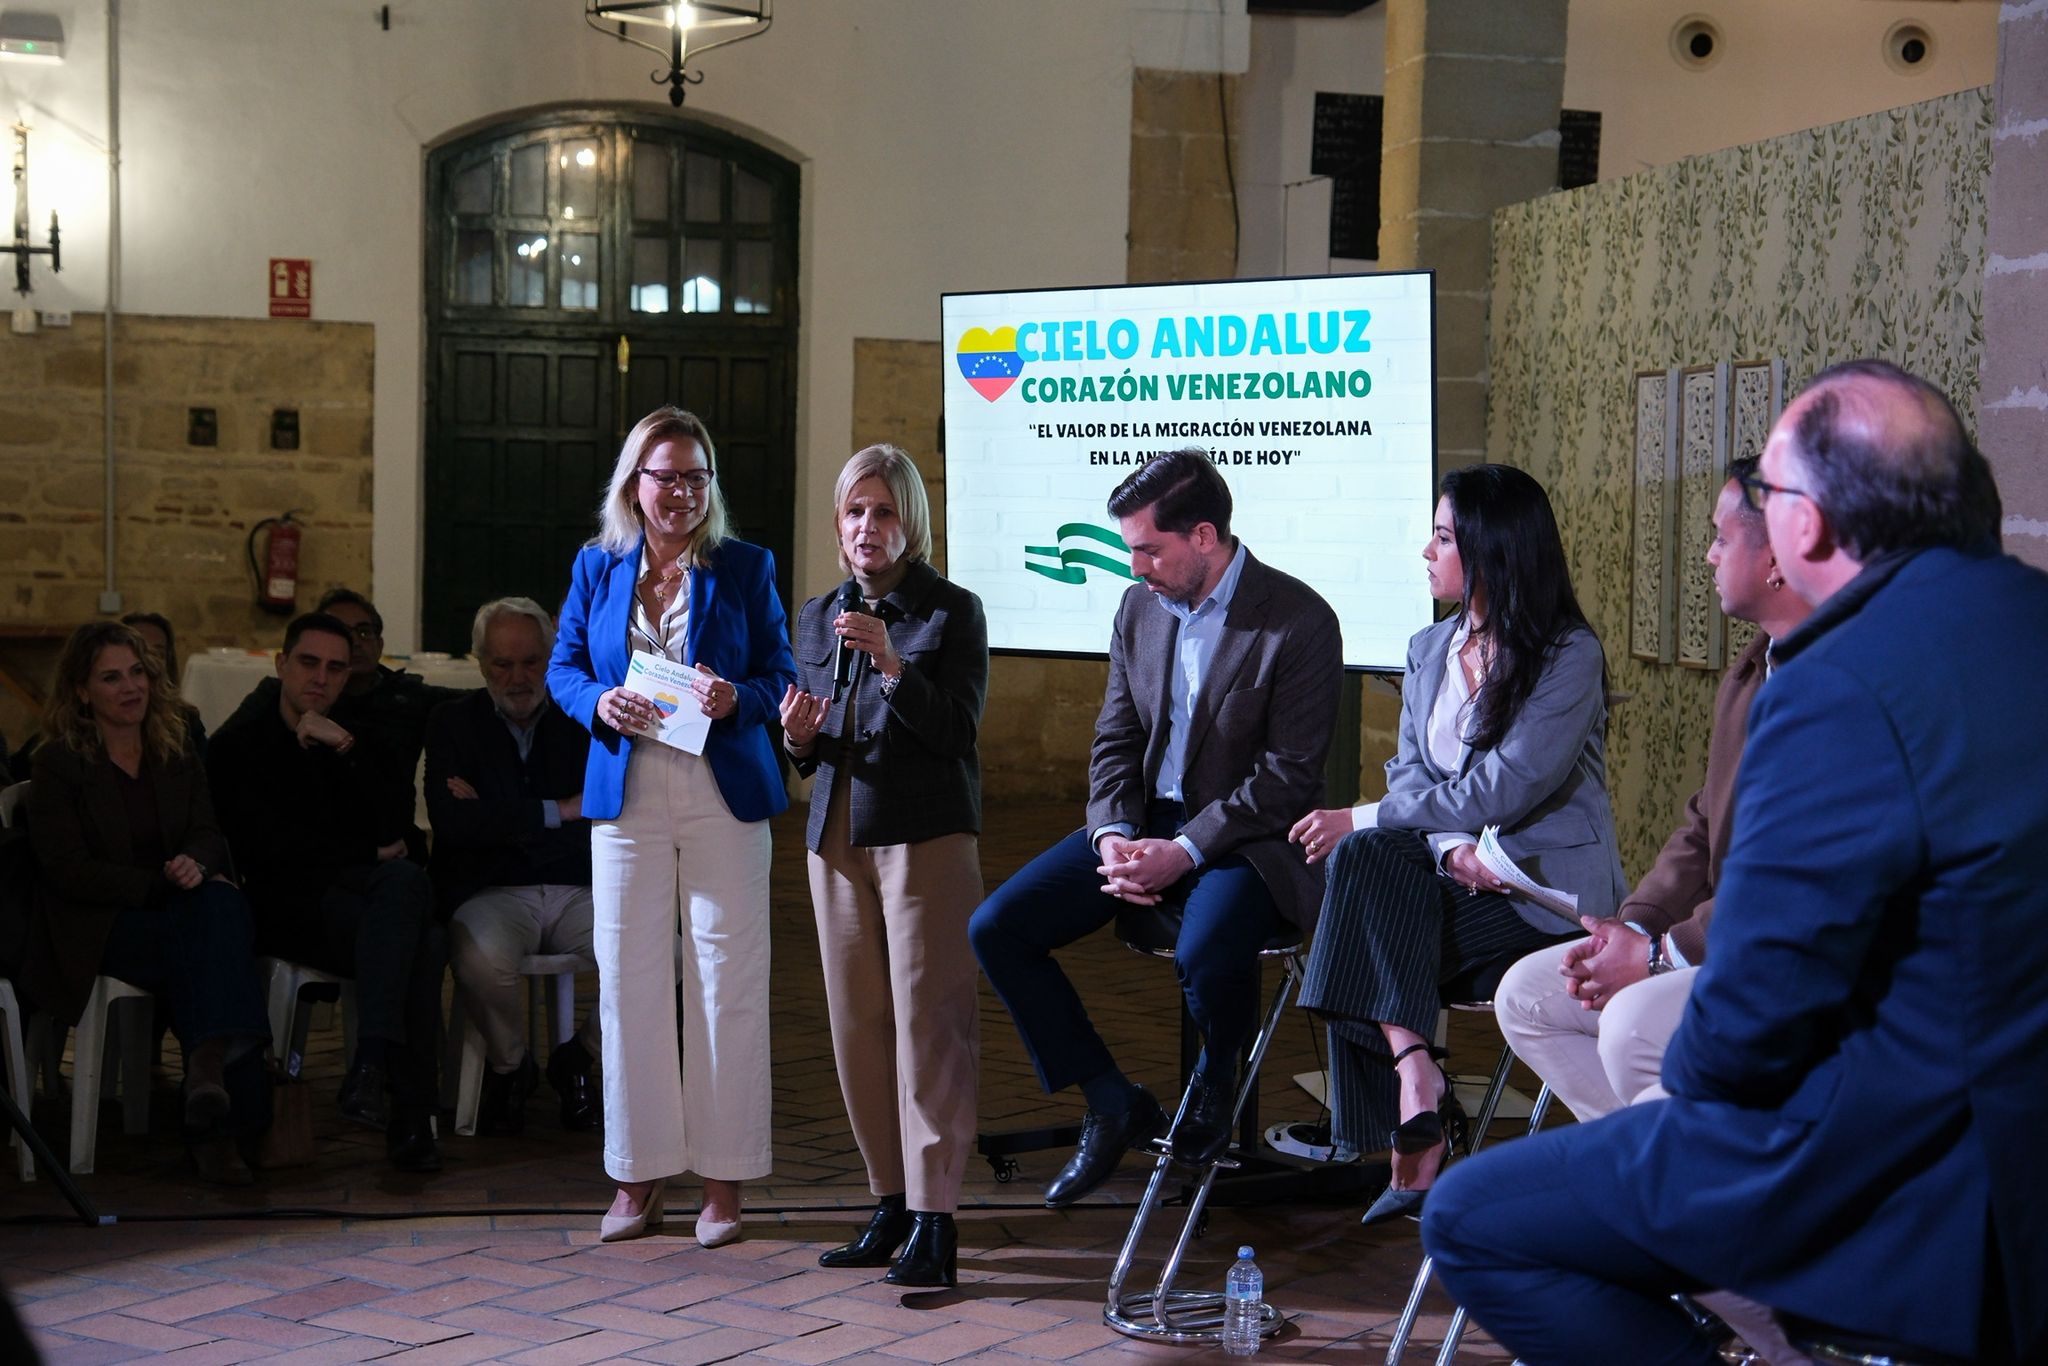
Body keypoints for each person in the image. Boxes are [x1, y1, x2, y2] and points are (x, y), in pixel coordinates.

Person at [1424, 360, 2045, 1365]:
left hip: (1905, 1156)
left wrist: (1681, 1114)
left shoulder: (1839, 678)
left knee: (1475, 1218)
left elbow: (1759, 996)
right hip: (1996, 1121)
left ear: (1804, 526)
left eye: (1768, 494)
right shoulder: (2021, 619)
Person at [969, 448, 1342, 1206]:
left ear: (1204, 537)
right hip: (1142, 825)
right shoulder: (1139, 608)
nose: (1135, 564)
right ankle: (1110, 1099)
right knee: (998, 927)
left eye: (1148, 548)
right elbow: (1114, 742)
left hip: (1248, 840)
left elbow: (1288, 779)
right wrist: (1112, 837)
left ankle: (1215, 1080)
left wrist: (1185, 848)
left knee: (1205, 951)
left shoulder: (1298, 620)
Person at [1284, 463, 1625, 1226]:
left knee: (1355, 918)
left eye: (1443, 537)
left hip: (1541, 899)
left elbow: (1506, 788)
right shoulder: (1428, 648)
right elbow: (1411, 774)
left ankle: (1403, 1101)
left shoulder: (1569, 656)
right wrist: (1442, 850)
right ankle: (1417, 1079)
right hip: (1454, 883)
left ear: (1493, 550)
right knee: (1367, 867)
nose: (1427, 551)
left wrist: (1368, 817)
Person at [1492, 457, 1812, 1120]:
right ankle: (1659, 1175)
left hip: (1788, 960)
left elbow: (1797, 884)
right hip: (1711, 942)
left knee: (1631, 1021)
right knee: (1525, 995)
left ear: (1778, 559)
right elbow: (1702, 822)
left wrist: (1661, 954)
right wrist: (1634, 925)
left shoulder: (1838, 683)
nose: (1706, 555)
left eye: (1722, 539)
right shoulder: (1753, 665)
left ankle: (1684, 1189)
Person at [548, 406, 795, 1247]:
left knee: (728, 980)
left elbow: (781, 677)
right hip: (627, 792)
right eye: (666, 476)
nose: (681, 492)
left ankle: (724, 1182)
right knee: (628, 980)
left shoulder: (747, 565)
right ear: (635, 484)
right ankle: (636, 1173)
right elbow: (564, 666)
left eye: (697, 477)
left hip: (722, 789)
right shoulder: (597, 564)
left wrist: (739, 699)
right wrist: (597, 701)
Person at [781, 445, 987, 1287]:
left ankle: (937, 1216)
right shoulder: (814, 614)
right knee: (856, 1024)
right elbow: (811, 747)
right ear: (839, 522)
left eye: (886, 511)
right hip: (836, 835)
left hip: (925, 835)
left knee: (929, 1023)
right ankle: (891, 1199)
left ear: (913, 522)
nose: (870, 526)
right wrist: (796, 734)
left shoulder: (951, 611)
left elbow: (957, 732)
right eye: (856, 511)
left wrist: (896, 665)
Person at [22, 621, 270, 1183]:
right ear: (82, 691)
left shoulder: (174, 739)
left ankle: (208, 1090)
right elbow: (66, 871)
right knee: (219, 932)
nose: (131, 687)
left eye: (137, 672)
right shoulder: (58, 763)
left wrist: (198, 864)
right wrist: (166, 882)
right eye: (111, 678)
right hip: (101, 926)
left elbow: (208, 830)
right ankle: (227, 1115)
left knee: (216, 918)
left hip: (177, 911)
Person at [206, 612, 444, 1172]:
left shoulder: (350, 732)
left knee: (415, 911)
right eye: (309, 663)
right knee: (421, 935)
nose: (322, 678)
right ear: (281, 664)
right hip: (286, 909)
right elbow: (267, 851)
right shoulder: (243, 742)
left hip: (355, 904)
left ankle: (375, 1071)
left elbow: (400, 834)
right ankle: (405, 1106)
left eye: (336, 668)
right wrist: (360, 854)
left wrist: (344, 749)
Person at [426, 597, 601, 1136]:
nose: (518, 677)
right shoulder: (452, 722)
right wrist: (560, 810)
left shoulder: (583, 717)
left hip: (579, 888)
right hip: (492, 891)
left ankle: (581, 1057)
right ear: (480, 664)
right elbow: (454, 826)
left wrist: (497, 814)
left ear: (552, 659)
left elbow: (605, 806)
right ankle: (512, 1063)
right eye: (503, 664)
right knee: (479, 960)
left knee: (665, 952)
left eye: (531, 662)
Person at [220, 588, 466, 860]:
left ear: (380, 645)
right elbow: (229, 764)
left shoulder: (407, 699)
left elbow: (396, 819)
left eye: (363, 632)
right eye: (339, 629)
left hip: (384, 845)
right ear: (283, 664)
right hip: (302, 854)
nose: (354, 641)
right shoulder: (281, 696)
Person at [122, 611, 209, 757]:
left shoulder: (185, 720)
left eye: (157, 653)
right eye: (139, 651)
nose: (149, 660)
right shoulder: (103, 717)